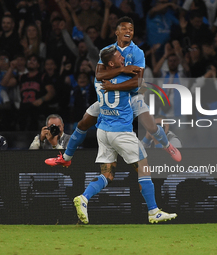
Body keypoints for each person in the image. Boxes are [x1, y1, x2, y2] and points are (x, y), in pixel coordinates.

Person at [48, 46, 177, 224]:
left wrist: (121, 70)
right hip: (121, 132)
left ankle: (84, 198)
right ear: (111, 62)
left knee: (107, 174)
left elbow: (106, 74)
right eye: (119, 57)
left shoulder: (98, 79)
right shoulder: (125, 79)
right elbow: (141, 85)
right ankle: (153, 211)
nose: (122, 57)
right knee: (143, 166)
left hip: (103, 131)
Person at [46, 16, 181, 165]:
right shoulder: (107, 51)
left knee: (151, 127)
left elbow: (137, 82)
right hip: (109, 98)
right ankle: (66, 158)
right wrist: (124, 70)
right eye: (124, 28)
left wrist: (113, 84)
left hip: (131, 98)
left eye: (131, 29)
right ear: (116, 32)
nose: (128, 31)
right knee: (83, 123)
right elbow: (99, 74)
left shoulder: (138, 53)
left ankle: (168, 146)